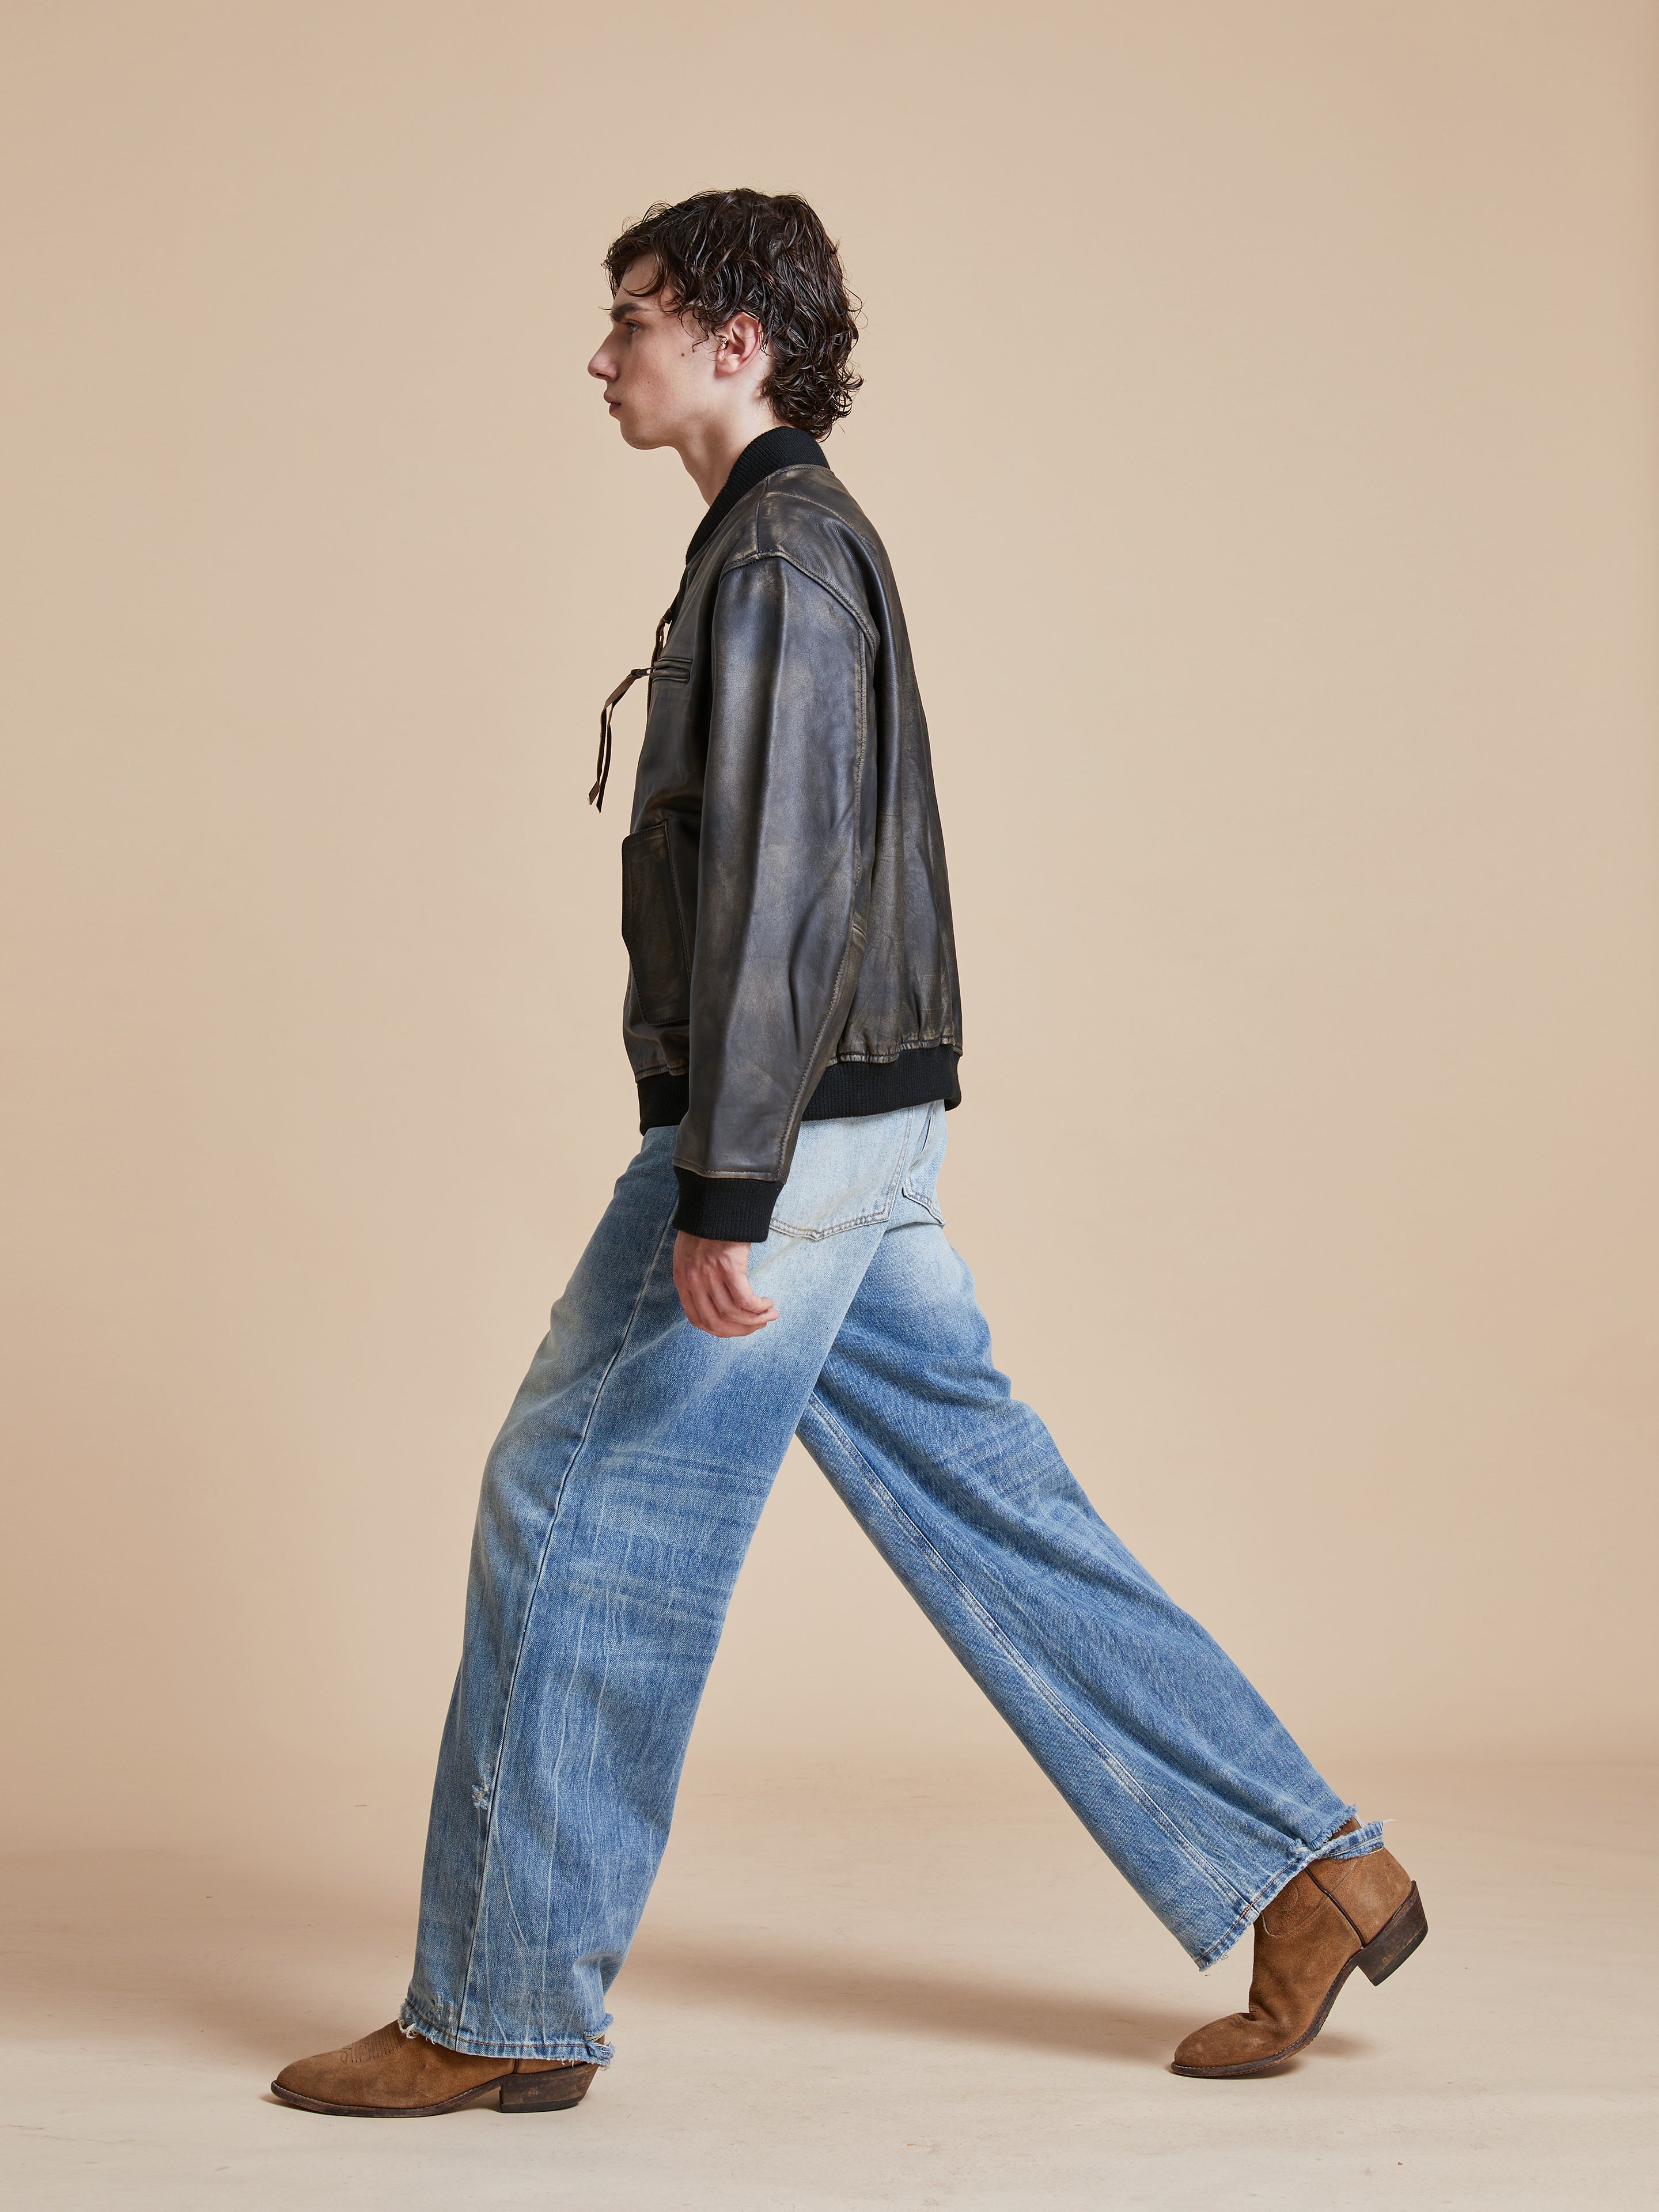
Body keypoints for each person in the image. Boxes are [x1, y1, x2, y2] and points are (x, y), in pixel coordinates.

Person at [271, 188, 1425, 2120]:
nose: (601, 353)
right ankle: (1312, 1869)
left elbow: (788, 890)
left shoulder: (786, 559)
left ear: (736, 338)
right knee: (987, 1508)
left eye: (629, 318)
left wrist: (730, 1190)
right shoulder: (773, 546)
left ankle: (496, 2000)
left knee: (571, 1516)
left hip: (791, 1137)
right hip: (855, 1125)